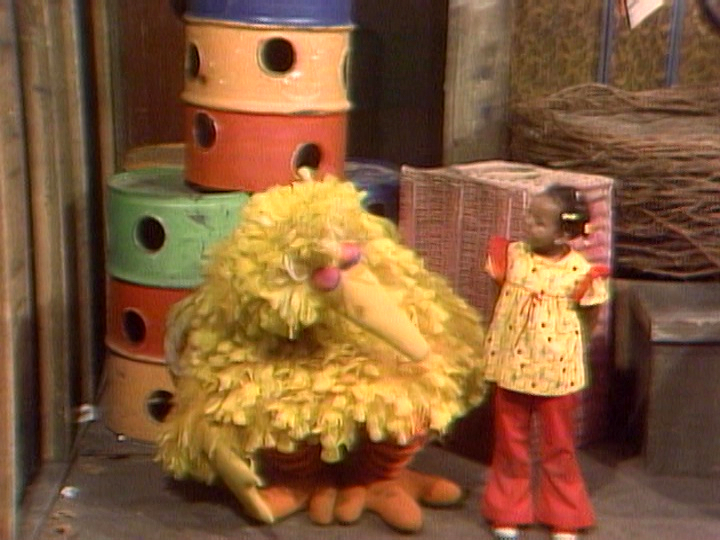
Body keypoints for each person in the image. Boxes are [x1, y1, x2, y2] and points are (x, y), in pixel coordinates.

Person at [480, 184, 609, 540]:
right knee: (510, 443)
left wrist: (570, 348)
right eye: (529, 215)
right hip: (513, 366)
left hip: (556, 372)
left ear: (564, 233)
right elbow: (499, 298)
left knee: (558, 446)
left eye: (539, 221)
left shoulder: (579, 271)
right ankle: (507, 509)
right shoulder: (512, 256)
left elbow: (591, 315)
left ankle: (564, 514)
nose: (528, 224)